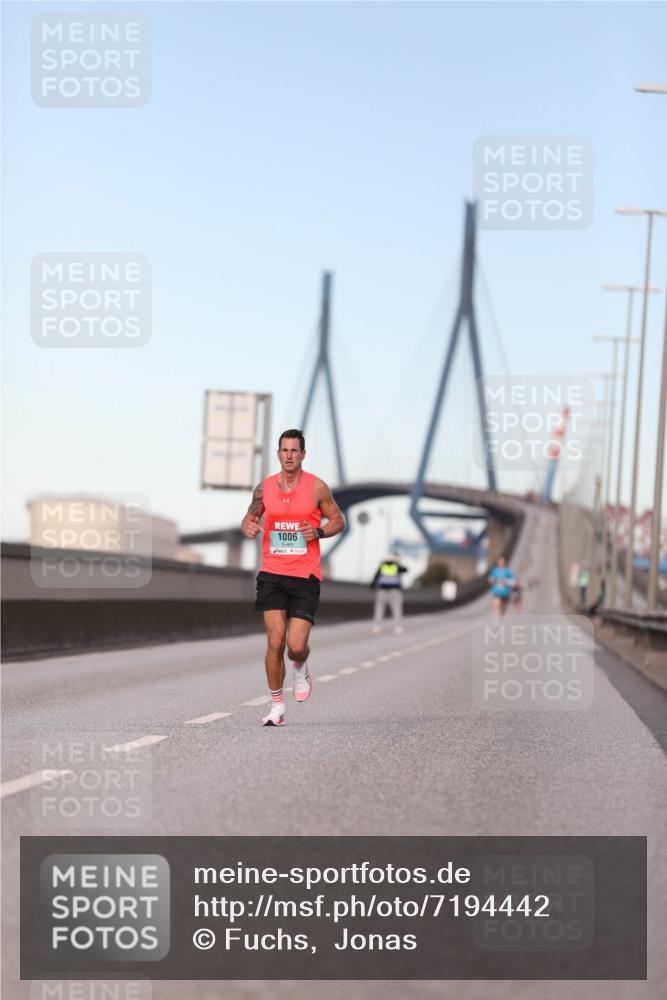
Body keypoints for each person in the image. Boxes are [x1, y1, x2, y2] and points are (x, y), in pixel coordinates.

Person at [241, 428, 345, 727]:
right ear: (278, 454)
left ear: (302, 454)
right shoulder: (264, 489)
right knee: (275, 642)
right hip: (272, 573)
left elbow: (338, 519)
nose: (289, 455)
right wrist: (246, 526)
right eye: (284, 450)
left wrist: (321, 531)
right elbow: (250, 518)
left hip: (305, 575)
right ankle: (276, 706)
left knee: (295, 646)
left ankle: (300, 664)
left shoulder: (317, 488)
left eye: (294, 451)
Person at [370, 554, 408, 633]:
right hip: (395, 591)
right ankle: (397, 627)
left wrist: (372, 586)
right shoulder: (397, 567)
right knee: (396, 609)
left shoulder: (382, 567)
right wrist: (398, 562)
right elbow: (405, 570)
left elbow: (375, 578)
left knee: (379, 609)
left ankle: (377, 626)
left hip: (382, 591)